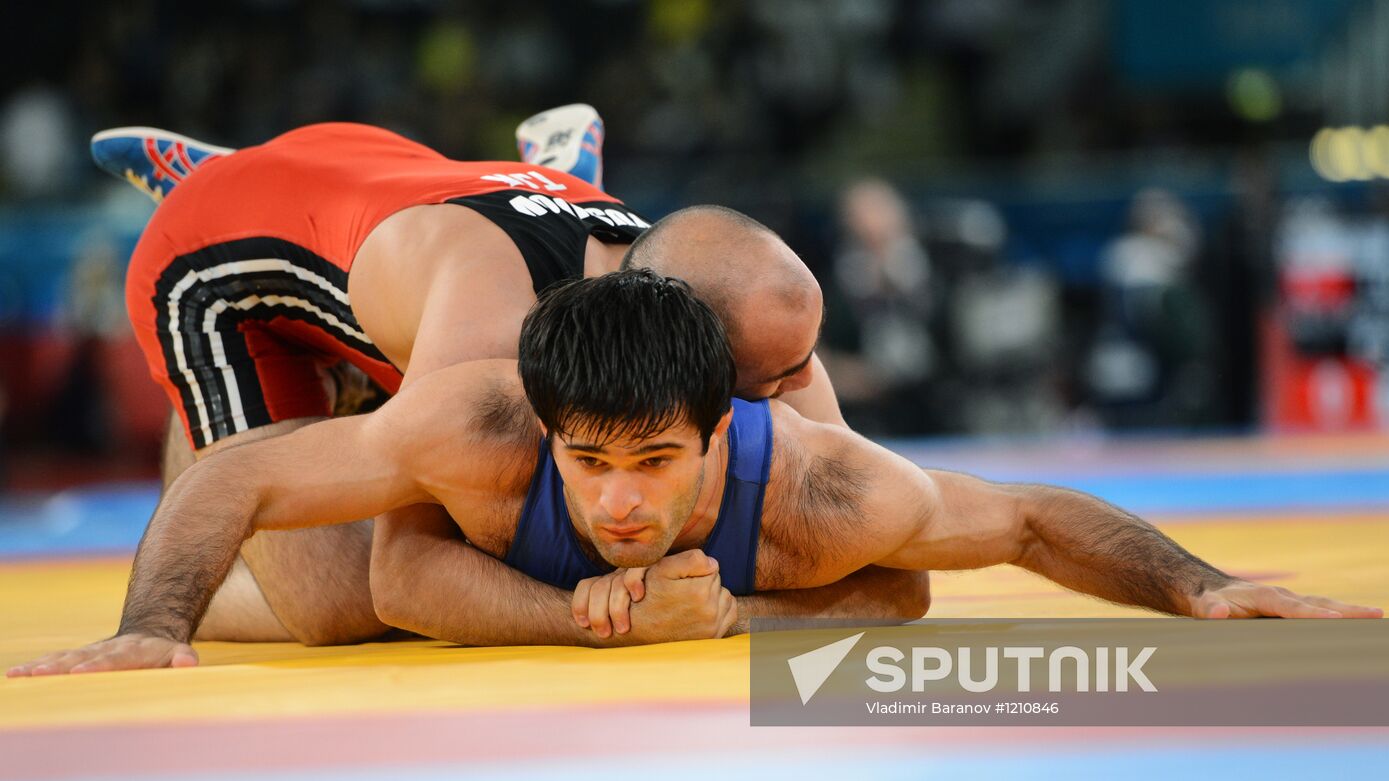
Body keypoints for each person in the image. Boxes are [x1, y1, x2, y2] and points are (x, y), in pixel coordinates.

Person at [10, 270, 1379, 676]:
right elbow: (244, 491)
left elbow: (1016, 522)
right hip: (402, 390)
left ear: (720, 435)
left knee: (322, 615)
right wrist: (151, 626)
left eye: (656, 463)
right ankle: (281, 296)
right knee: (333, 586)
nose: (617, 505)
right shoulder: (487, 429)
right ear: (549, 437)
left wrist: (1196, 591)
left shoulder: (828, 492)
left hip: (555, 469)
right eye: (590, 464)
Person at [84, 107, 878, 649]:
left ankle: (559, 174)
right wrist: (609, 619)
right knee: (336, 605)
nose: (797, 388)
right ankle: (217, 188)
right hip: (220, 268)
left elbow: (861, 524)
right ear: (690, 347)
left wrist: (732, 613)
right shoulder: (486, 337)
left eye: (798, 361)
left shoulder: (712, 278)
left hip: (431, 198)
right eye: (765, 381)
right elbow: (405, 579)